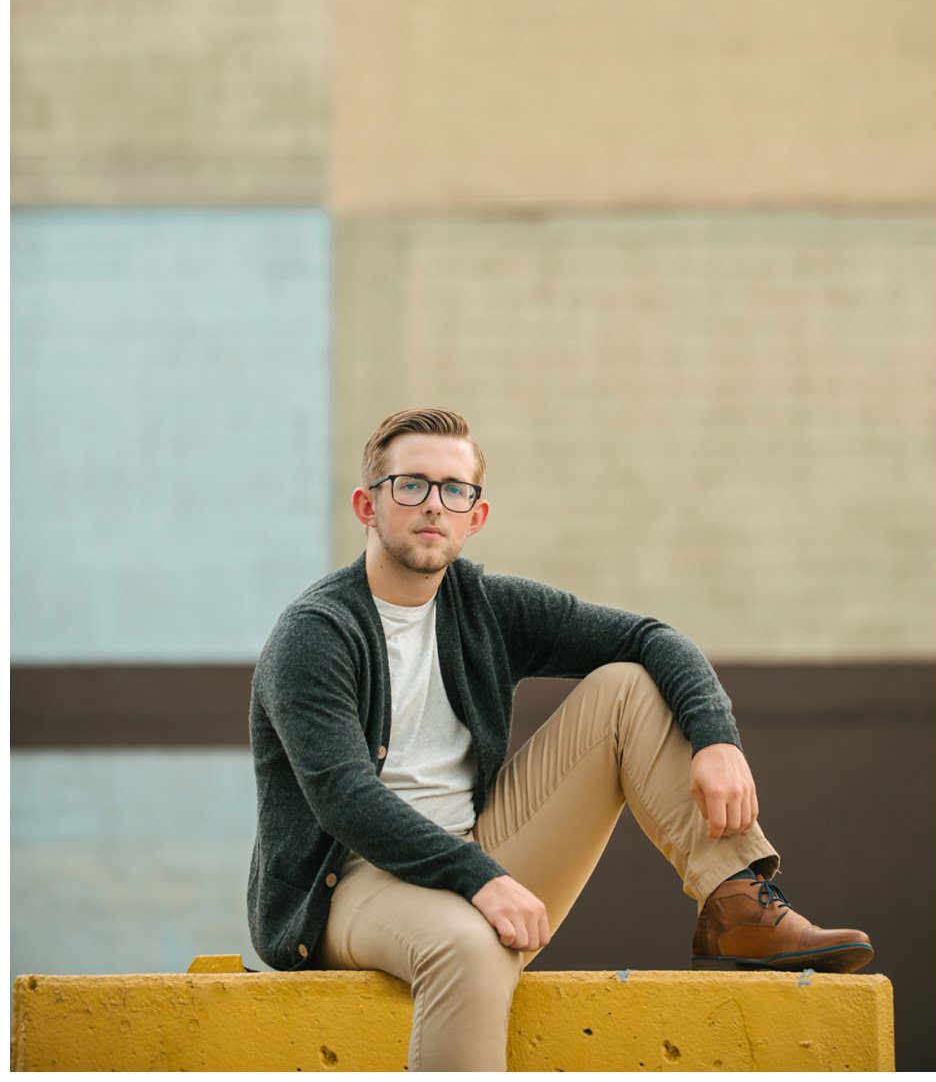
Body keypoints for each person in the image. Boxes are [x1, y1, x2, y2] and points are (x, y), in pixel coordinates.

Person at [248, 407, 872, 1070]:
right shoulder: (315, 634)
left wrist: (717, 737)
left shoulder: (484, 607)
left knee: (627, 685)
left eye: (454, 490)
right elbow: (343, 795)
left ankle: (735, 906)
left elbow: (651, 636)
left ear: (475, 516)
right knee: (466, 946)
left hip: (478, 855)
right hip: (349, 884)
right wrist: (480, 879)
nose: (433, 505)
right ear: (367, 506)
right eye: (411, 485)